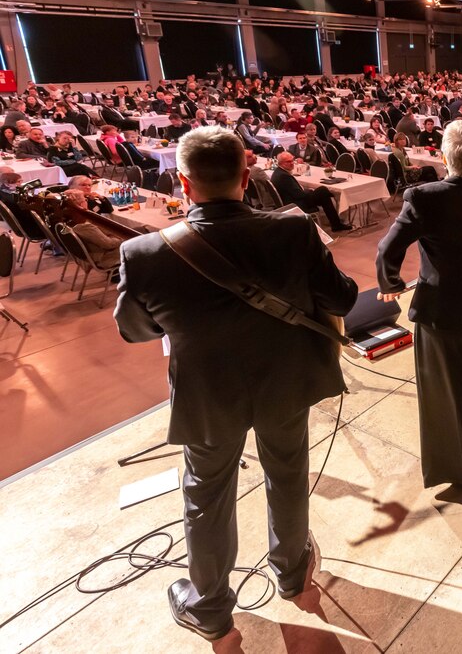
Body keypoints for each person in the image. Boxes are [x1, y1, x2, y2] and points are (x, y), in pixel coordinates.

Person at [114, 126, 357, 641]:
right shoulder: (294, 231)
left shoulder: (145, 253)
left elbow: (134, 329)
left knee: (205, 493)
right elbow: (340, 300)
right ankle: (292, 573)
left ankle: (210, 608)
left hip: (208, 394)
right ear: (247, 178)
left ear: (183, 182)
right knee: (288, 474)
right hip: (285, 383)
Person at [375, 120, 462, 489]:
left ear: (443, 157)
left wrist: (390, 283)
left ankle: (454, 470)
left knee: (443, 395)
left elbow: (387, 250)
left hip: (439, 311)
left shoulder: (424, 198)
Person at [270, 151, 353, 232]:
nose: (292, 163)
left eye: (292, 160)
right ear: (281, 163)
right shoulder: (283, 176)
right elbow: (299, 194)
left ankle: (336, 223)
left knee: (323, 195)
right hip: (296, 204)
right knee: (323, 191)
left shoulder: (278, 172)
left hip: (290, 200)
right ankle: (336, 223)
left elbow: (295, 191)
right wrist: (310, 191)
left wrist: (309, 191)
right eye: (288, 161)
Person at [63, 190, 122, 267]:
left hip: (94, 251)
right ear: (81, 204)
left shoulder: (68, 219)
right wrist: (121, 238)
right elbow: (109, 244)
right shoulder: (83, 225)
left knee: (140, 230)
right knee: (139, 242)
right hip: (105, 257)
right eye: (85, 199)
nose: (87, 201)